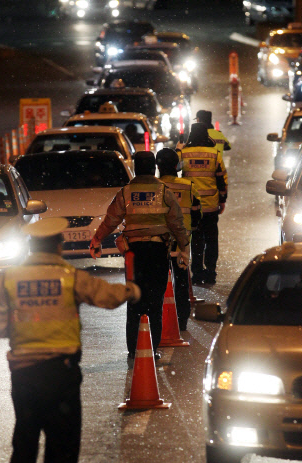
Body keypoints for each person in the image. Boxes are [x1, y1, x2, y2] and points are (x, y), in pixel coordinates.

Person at [0, 217, 140, 463]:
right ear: (58, 245)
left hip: (24, 377)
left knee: (24, 445)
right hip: (61, 374)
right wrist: (131, 289)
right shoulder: (70, 276)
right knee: (61, 447)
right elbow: (107, 297)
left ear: (31, 246)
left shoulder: (8, 279)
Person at [89, 151, 189, 359]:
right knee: (155, 301)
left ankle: (134, 349)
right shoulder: (164, 192)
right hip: (158, 253)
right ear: (153, 168)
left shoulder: (126, 193)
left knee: (134, 299)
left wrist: (97, 239)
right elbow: (177, 223)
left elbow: (111, 220)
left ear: (136, 168)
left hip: (133, 255)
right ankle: (151, 349)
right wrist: (184, 248)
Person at [156, 147, 201, 331]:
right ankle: (182, 321)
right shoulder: (188, 186)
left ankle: (159, 321)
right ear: (177, 165)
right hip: (181, 242)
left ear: (158, 166)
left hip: (158, 241)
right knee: (181, 280)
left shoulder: (154, 187)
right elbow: (197, 214)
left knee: (158, 282)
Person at [177, 123, 228, 286]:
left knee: (196, 240)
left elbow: (174, 167)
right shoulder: (214, 154)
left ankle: (197, 272)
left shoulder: (185, 153)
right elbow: (222, 179)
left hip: (192, 207)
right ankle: (211, 271)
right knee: (212, 240)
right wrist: (222, 200)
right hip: (211, 206)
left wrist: (178, 149)